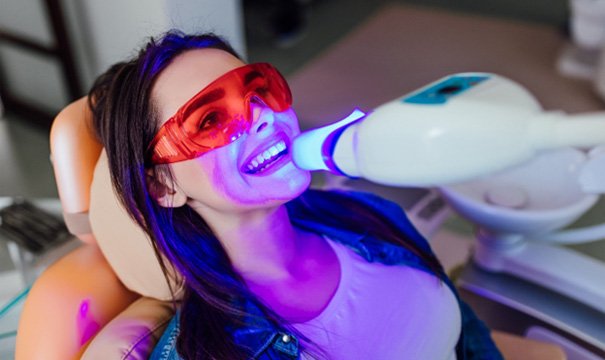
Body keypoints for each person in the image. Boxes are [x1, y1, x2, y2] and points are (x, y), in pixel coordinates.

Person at [88, 31, 502, 359]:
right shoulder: (209, 353)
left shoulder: (368, 213)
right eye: (211, 119)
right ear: (163, 185)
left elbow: (466, 337)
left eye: (259, 90)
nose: (264, 116)